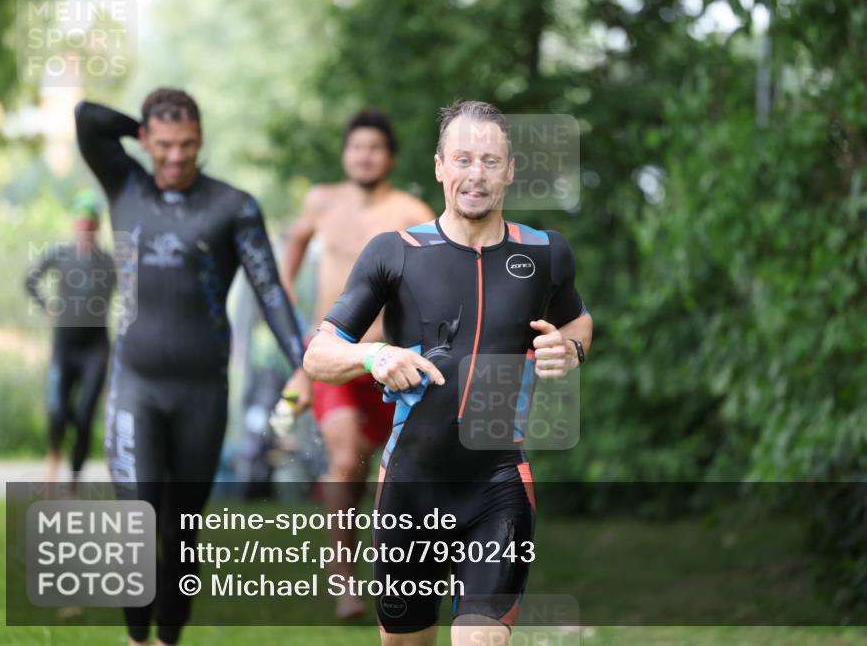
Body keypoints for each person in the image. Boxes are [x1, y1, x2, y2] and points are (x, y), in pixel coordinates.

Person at [303, 100, 592, 646]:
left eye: (489, 160)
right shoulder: (396, 252)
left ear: (509, 170)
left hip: (498, 486)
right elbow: (318, 354)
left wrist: (571, 350)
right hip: (411, 488)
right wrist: (374, 356)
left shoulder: (545, 254)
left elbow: (578, 321)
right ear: (440, 166)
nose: (475, 174)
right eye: (462, 158)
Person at [75, 88, 309, 646]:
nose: (176, 157)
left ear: (201, 140)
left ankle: (168, 639)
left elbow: (271, 292)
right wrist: (140, 128)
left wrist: (304, 362)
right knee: (136, 526)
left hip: (202, 392)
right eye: (164, 145)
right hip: (136, 386)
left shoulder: (233, 205)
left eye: (187, 145)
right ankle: (137, 641)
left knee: (182, 530)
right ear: (148, 142)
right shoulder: (124, 183)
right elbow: (86, 117)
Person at [279, 109, 434, 619]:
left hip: (392, 360)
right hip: (337, 357)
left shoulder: (410, 209)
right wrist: (284, 306)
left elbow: (437, 276)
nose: (364, 155)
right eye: (356, 147)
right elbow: (295, 244)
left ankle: (399, 573)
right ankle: (345, 578)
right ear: (345, 153)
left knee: (386, 475)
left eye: (375, 147)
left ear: (389, 157)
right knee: (346, 462)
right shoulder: (321, 201)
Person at [25, 190, 116, 486]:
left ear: (97, 228)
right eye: (81, 225)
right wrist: (45, 304)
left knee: (85, 413)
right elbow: (31, 278)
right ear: (74, 226)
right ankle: (53, 454)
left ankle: (74, 479)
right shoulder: (60, 254)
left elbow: (132, 289)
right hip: (64, 345)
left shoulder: (108, 263)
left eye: (91, 226)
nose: (86, 231)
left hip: (95, 347)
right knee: (57, 411)